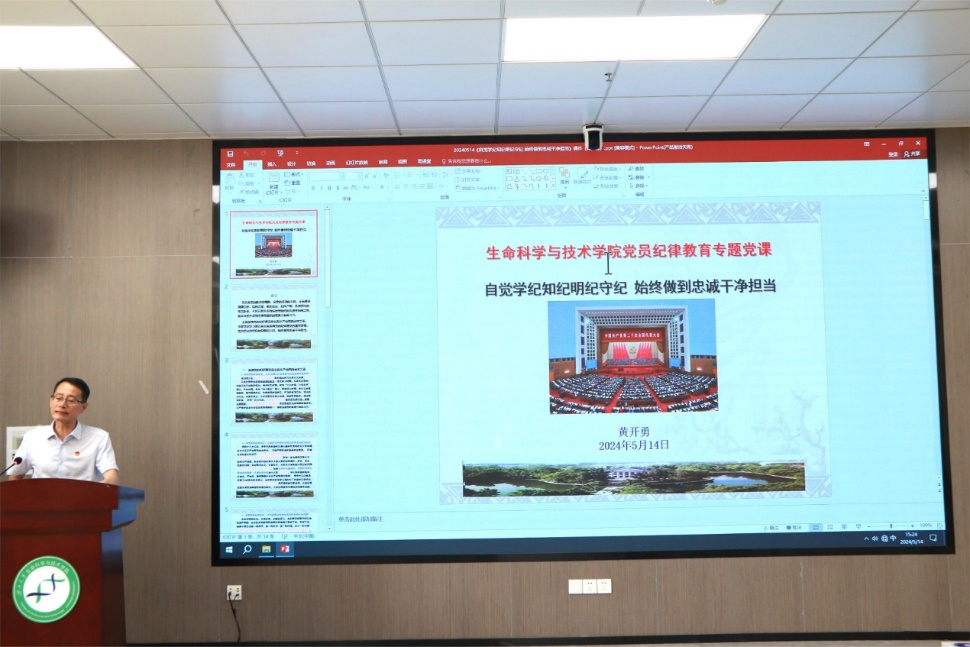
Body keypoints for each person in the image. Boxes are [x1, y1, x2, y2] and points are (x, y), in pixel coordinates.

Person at [6, 377, 119, 484]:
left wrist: (103, 487)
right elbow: (16, 476)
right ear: (51, 401)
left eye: (71, 400)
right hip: (42, 498)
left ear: (83, 407)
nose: (62, 404)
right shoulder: (33, 437)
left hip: (83, 498)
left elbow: (110, 475)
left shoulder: (99, 437)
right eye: (59, 398)